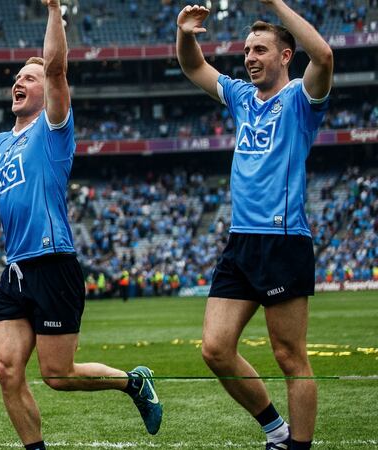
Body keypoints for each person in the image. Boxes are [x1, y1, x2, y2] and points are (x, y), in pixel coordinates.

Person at [0, 1, 162, 448]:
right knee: (7, 370)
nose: (16, 82)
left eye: (28, 78)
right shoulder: (2, 143)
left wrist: (54, 9)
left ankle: (132, 382)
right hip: (16, 269)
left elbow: (58, 68)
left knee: (58, 375)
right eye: (17, 78)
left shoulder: (53, 129)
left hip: (54, 262)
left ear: (46, 91)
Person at [176, 2, 333, 449]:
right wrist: (186, 34)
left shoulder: (302, 98)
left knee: (289, 355)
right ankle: (276, 431)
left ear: (285, 56)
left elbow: (323, 57)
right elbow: (194, 67)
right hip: (241, 242)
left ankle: (298, 446)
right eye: (247, 50)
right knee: (215, 349)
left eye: (260, 49)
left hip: (283, 241)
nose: (249, 57)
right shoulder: (243, 97)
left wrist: (278, 5)